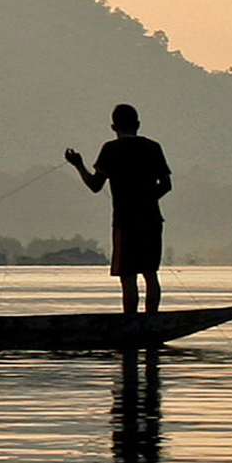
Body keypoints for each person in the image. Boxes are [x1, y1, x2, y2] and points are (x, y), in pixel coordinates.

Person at [65, 103, 172, 314]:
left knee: (128, 276)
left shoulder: (110, 149)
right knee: (150, 274)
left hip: (125, 222)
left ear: (113, 127)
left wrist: (78, 164)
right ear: (138, 125)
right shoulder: (153, 147)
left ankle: (131, 321)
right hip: (151, 220)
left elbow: (95, 185)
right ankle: (152, 321)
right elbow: (167, 185)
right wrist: (148, 201)